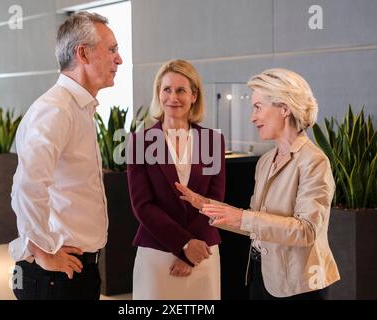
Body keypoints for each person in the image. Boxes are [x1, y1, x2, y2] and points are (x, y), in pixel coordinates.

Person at [176, 68, 340, 300]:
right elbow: (255, 223)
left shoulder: (314, 161)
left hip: (299, 285)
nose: (253, 117)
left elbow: (307, 231)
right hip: (260, 275)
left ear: (284, 108)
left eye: (258, 107)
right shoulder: (265, 161)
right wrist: (207, 206)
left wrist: (242, 217)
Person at [9, 12, 122, 300]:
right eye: (111, 49)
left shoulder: (78, 108)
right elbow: (27, 187)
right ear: (82, 53)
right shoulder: (56, 110)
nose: (118, 59)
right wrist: (42, 251)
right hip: (56, 276)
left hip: (76, 269)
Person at [126, 59, 226, 300]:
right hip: (157, 252)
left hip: (203, 252)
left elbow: (215, 200)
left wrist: (192, 250)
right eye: (166, 89)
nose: (173, 97)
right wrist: (183, 245)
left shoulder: (212, 140)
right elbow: (142, 205)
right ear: (158, 94)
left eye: (181, 90)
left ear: (194, 95)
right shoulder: (139, 142)